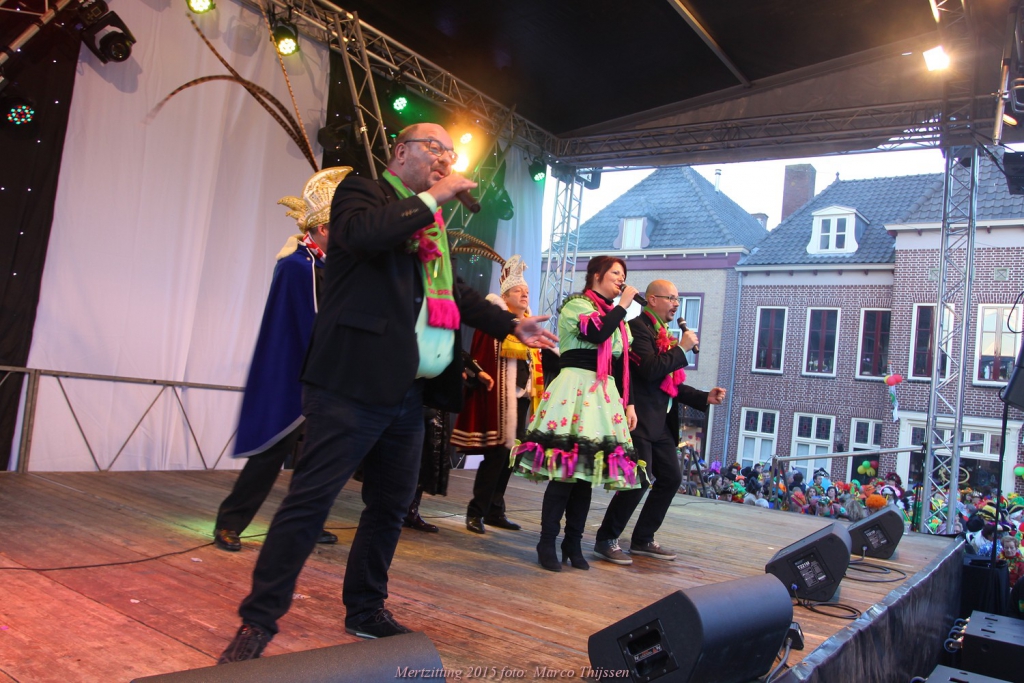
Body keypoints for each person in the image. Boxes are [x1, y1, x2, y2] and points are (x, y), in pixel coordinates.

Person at [218, 123, 557, 663]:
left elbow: (454, 292)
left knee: (391, 505)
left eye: (450, 153)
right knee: (310, 502)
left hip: (407, 389)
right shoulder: (362, 193)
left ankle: (366, 609)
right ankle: (258, 622)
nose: (445, 159)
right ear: (401, 152)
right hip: (351, 383)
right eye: (435, 148)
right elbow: (362, 236)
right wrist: (435, 196)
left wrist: (510, 324)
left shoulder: (430, 225)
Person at [213, 168, 350, 552]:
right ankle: (230, 523)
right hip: (293, 374)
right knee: (271, 454)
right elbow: (306, 321)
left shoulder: (328, 267)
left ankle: (305, 523)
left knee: (318, 458)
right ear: (323, 229)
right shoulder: (296, 265)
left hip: (322, 375)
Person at [513, 256, 641, 572]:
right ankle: (546, 542)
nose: (621, 278)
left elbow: (622, 362)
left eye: (623, 274)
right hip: (575, 390)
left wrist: (629, 402)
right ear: (596, 275)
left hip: (603, 393)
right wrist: (624, 306)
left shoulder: (616, 318)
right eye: (615, 273)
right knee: (565, 472)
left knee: (585, 476)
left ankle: (572, 542)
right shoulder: (577, 305)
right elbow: (596, 334)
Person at [593, 279, 725, 565]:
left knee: (672, 478)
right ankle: (606, 538)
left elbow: (669, 383)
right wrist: (682, 350)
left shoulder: (663, 333)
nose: (676, 304)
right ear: (652, 300)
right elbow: (651, 370)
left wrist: (704, 397)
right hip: (638, 417)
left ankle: (643, 539)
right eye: (671, 298)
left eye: (677, 299)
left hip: (661, 420)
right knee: (639, 480)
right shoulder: (637, 329)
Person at [451, 255, 543, 534]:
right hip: (500, 398)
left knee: (510, 457)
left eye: (527, 291)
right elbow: (484, 359)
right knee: (496, 457)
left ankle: (495, 509)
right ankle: (476, 511)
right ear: (505, 296)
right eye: (518, 291)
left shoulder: (527, 324)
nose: (525, 295)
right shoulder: (495, 324)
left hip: (521, 398)